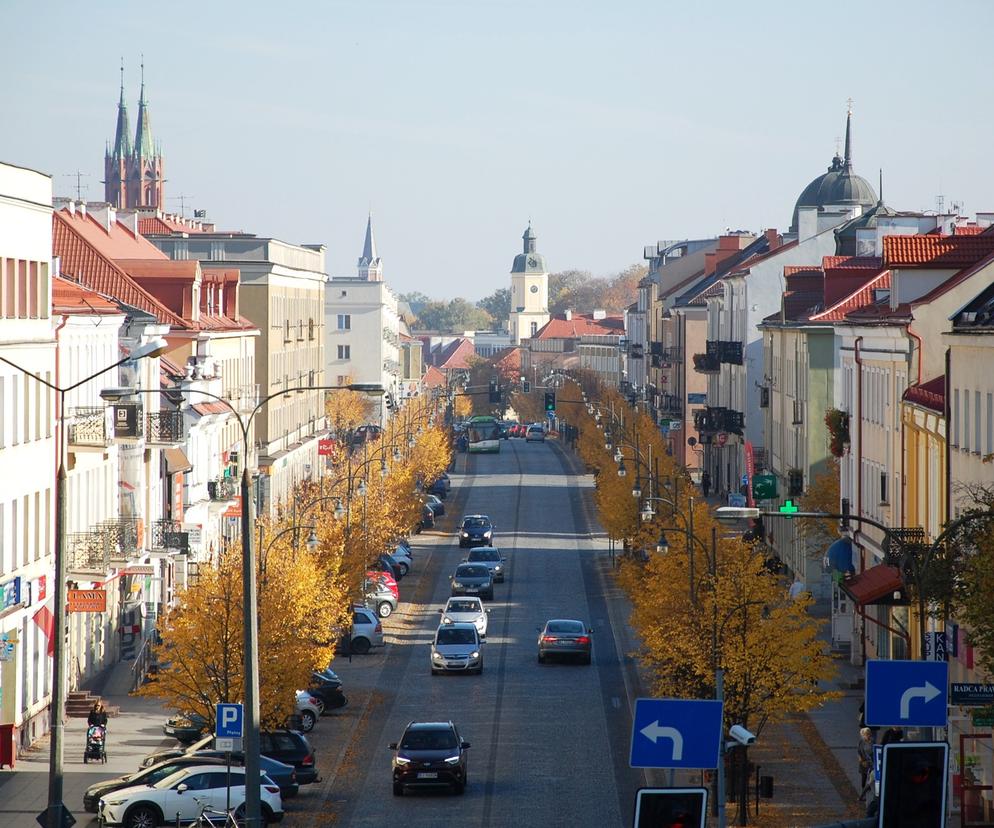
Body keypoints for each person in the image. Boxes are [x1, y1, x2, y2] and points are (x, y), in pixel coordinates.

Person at [857, 727, 875, 801]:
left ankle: (864, 794)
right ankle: (863, 793)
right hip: (863, 762)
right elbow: (859, 751)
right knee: (863, 778)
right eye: (866, 734)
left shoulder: (872, 741)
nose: (867, 735)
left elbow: (874, 751)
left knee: (870, 779)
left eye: (869, 734)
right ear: (863, 735)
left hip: (871, 763)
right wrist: (861, 760)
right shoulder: (861, 741)